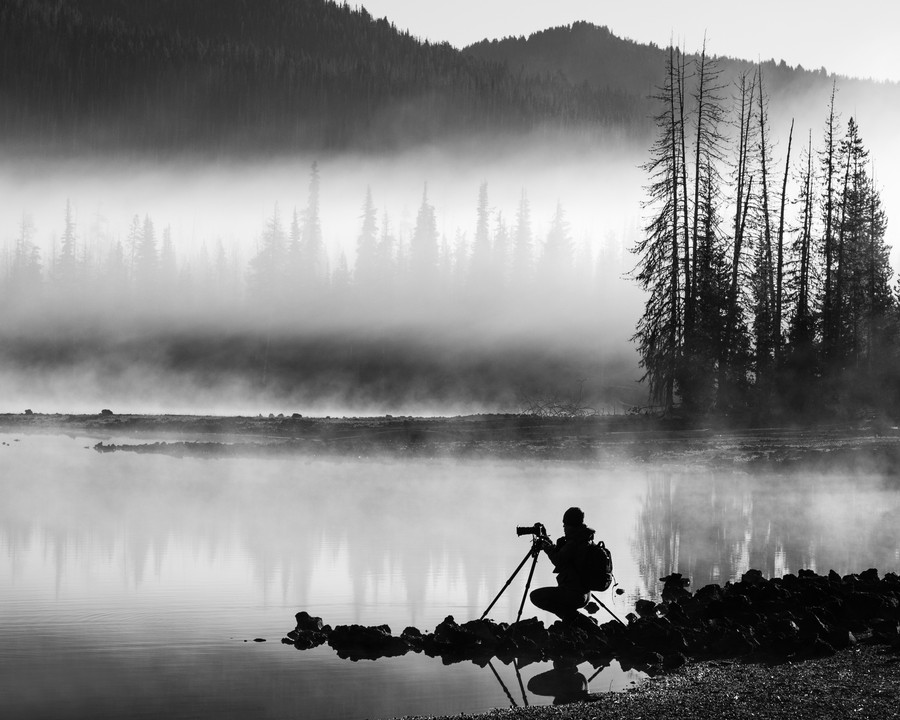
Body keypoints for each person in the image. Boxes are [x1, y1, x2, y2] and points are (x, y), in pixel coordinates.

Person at [530, 506, 594, 623]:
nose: (563, 528)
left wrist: (545, 546)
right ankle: (576, 621)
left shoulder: (574, 542)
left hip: (573, 594)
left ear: (571, 525)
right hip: (584, 594)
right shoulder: (584, 538)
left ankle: (580, 621)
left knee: (536, 596)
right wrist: (547, 541)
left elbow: (558, 560)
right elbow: (563, 556)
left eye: (565, 525)